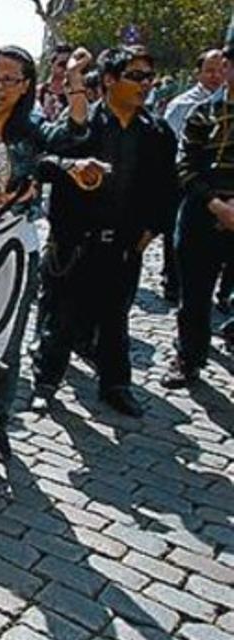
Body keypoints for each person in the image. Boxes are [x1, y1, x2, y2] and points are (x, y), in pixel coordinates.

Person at [0, 44, 92, 458]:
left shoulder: (33, 132)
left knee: (6, 345)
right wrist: (4, 199)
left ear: (25, 86)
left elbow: (76, 135)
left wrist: (75, 80)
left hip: (16, 249)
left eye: (9, 79)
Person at [31, 46, 178, 418]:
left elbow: (166, 191)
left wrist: (147, 236)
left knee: (115, 321)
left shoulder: (156, 132)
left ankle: (116, 385)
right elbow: (43, 162)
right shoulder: (83, 122)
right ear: (110, 80)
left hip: (124, 246)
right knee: (60, 320)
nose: (145, 84)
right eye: (136, 76)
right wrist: (73, 166)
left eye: (149, 77)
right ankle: (46, 383)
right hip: (75, 243)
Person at [162, 19, 234, 390]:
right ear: (226, 67)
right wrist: (218, 206)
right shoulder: (201, 113)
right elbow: (185, 166)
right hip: (202, 215)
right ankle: (188, 358)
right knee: (194, 297)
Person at [163, 48, 230, 306]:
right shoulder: (185, 106)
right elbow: (171, 148)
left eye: (219, 69)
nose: (216, 76)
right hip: (187, 185)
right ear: (198, 73)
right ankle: (173, 280)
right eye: (209, 70)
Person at [37, 44, 73, 121]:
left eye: (69, 64)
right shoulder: (39, 91)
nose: (66, 68)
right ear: (52, 64)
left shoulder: (75, 91)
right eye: (62, 64)